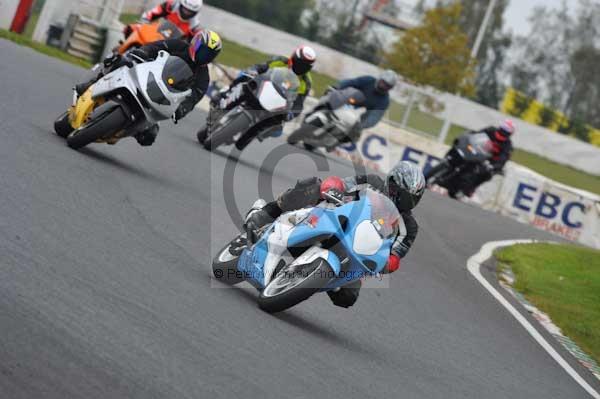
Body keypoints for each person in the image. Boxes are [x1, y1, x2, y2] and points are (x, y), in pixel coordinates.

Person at [241, 161, 425, 309]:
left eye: (409, 200)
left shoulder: (409, 226)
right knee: (311, 185)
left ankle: (299, 282)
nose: (401, 201)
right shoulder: (372, 182)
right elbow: (343, 184)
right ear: (390, 183)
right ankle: (265, 213)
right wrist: (332, 188)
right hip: (331, 217)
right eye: (398, 194)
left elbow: (395, 255)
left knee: (347, 297)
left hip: (357, 251)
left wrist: (388, 263)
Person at [75, 30, 222, 146]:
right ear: (195, 43)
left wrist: (181, 110)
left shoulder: (203, 77)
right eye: (202, 50)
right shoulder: (178, 45)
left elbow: (194, 98)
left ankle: (122, 131)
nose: (204, 55)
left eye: (208, 54)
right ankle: (92, 84)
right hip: (146, 76)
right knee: (120, 61)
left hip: (160, 99)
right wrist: (143, 53)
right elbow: (156, 46)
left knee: (149, 136)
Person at [212, 45, 317, 150]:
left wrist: (290, 113)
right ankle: (226, 94)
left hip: (276, 105)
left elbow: (299, 103)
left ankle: (249, 137)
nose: (300, 67)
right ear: (293, 58)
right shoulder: (281, 61)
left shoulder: (306, 82)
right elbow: (261, 67)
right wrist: (253, 71)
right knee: (244, 77)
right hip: (262, 89)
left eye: (304, 66)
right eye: (299, 63)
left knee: (277, 129)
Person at [333, 69, 397, 134]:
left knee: (353, 135)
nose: (384, 86)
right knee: (330, 97)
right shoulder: (368, 80)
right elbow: (351, 82)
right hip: (347, 101)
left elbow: (375, 117)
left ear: (390, 88)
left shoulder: (385, 101)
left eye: (387, 85)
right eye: (383, 82)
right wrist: (337, 87)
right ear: (380, 79)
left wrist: (361, 125)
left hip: (356, 119)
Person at [461, 119, 515, 196]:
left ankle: (471, 188)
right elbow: (477, 134)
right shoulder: (490, 130)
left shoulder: (508, 145)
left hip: (488, 161)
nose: (504, 131)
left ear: (510, 133)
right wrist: (470, 134)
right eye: (504, 128)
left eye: (506, 130)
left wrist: (495, 166)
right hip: (477, 151)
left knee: (487, 174)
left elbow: (504, 158)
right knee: (463, 147)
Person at [124, 0, 204, 40]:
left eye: (190, 11)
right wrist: (144, 21)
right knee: (130, 28)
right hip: (152, 33)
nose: (186, 12)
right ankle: (118, 51)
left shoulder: (194, 27)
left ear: (195, 12)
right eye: (185, 9)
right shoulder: (170, 6)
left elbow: (193, 45)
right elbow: (152, 13)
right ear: (180, 5)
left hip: (169, 49)